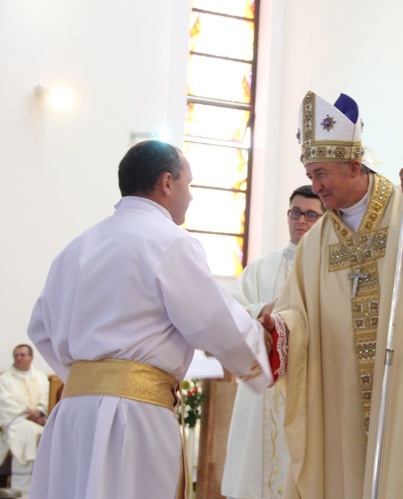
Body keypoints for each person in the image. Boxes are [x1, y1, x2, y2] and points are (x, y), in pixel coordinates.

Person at [263, 91, 403, 498]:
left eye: (321, 174)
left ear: (353, 166)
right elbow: (296, 312)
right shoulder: (316, 243)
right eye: (311, 175)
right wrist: (277, 330)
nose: (315, 186)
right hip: (341, 392)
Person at [26, 140, 272, 499]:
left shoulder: (76, 247)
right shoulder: (170, 241)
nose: (191, 196)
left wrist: (88, 379)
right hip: (132, 417)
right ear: (167, 183)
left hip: (71, 415)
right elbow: (213, 321)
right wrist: (265, 345)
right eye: (190, 184)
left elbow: (39, 327)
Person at [222, 185, 324, 499]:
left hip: (310, 384)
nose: (301, 221)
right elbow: (230, 309)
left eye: (310, 214)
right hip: (264, 386)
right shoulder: (262, 267)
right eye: (295, 212)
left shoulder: (329, 268)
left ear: (324, 218)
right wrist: (263, 311)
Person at [0, 345, 49, 495]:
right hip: (14, 421)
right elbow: (6, 403)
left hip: (38, 420)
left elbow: (45, 400)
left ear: (31, 357)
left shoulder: (40, 377)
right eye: (16, 355)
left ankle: (41, 485)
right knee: (28, 431)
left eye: (22, 355)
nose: (19, 358)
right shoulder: (4, 379)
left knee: (44, 432)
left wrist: (39, 412)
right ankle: (22, 487)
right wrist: (29, 414)